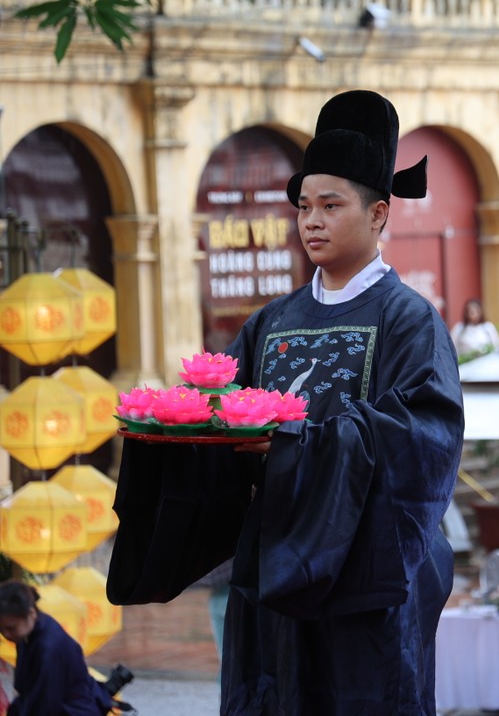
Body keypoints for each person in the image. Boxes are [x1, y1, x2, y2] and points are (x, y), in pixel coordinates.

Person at [106, 90, 465, 715]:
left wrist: (299, 442)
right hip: (275, 560)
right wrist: (181, 428)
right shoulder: (272, 320)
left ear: (380, 215)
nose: (312, 222)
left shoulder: (409, 320)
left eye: (331, 205)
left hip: (367, 569)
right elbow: (230, 424)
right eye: (303, 207)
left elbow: (424, 440)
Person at [0, 581, 129, 715]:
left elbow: (45, 705)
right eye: (1, 629)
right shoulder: (31, 630)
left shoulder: (49, 648)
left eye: (11, 628)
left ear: (31, 613)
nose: (6, 634)